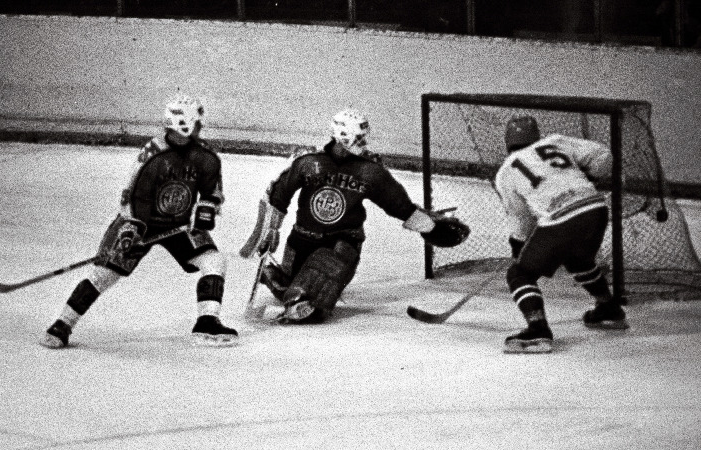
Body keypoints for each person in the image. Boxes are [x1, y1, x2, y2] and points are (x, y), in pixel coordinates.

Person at [40, 95, 238, 348]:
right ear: (185, 125)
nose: (200, 127)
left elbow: (213, 192)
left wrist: (207, 207)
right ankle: (63, 324)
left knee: (214, 261)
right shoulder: (153, 155)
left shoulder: (206, 156)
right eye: (197, 122)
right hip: (140, 223)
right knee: (105, 274)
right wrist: (131, 229)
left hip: (178, 226)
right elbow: (133, 197)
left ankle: (207, 321)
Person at [240, 109, 470, 323]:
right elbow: (278, 194)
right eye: (358, 138)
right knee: (291, 290)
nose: (363, 143)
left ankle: (301, 292)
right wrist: (270, 230)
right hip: (301, 240)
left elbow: (399, 205)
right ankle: (281, 280)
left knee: (317, 291)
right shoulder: (308, 162)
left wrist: (430, 227)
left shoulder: (370, 171)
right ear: (342, 136)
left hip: (341, 241)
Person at [494, 115, 629, 354]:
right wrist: (592, 176)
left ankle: (537, 330)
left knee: (520, 273)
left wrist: (519, 248)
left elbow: (521, 219)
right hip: (595, 208)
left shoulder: (506, 171)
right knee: (578, 259)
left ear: (507, 142)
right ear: (536, 136)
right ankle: (608, 308)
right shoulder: (556, 142)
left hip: (563, 219)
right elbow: (603, 155)